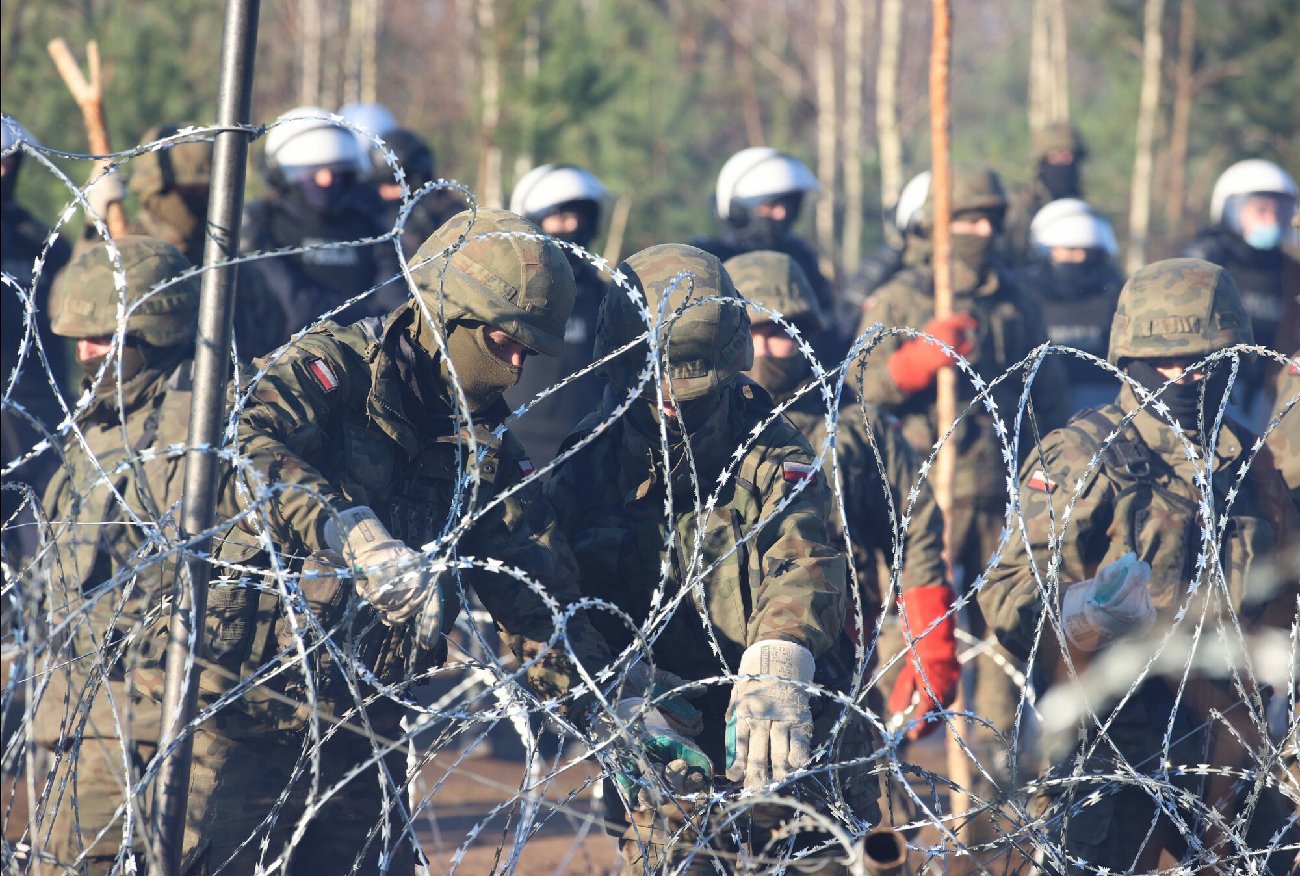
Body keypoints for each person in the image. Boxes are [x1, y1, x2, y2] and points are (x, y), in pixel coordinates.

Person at [178, 208, 686, 873]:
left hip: (363, 736)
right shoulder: (334, 370)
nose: (512, 370)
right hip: (240, 723)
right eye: (503, 343)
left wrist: (617, 703)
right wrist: (352, 531)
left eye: (526, 354)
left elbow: (540, 598)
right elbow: (248, 450)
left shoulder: (487, 451)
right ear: (448, 311)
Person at [547, 243, 878, 874]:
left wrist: (779, 661)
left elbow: (804, 557)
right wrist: (618, 697)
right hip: (665, 731)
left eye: (690, 381)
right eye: (654, 380)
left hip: (786, 719)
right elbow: (558, 599)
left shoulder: (771, 447)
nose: (671, 399)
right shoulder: (586, 460)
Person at [979, 258, 1299, 874]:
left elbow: (1283, 582)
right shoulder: (1081, 456)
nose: (1184, 375)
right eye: (1166, 361)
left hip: (1226, 733)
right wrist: (1085, 609)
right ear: (1129, 359)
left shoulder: (1251, 465)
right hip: (1111, 732)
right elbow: (1009, 592)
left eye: (1202, 360)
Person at [854, 163, 1071, 826]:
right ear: (934, 225)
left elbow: (1049, 393)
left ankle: (987, 812)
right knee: (916, 650)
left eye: (988, 220)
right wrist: (912, 363)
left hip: (1003, 502)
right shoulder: (901, 296)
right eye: (965, 220)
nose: (979, 231)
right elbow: (858, 387)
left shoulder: (1017, 300)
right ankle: (896, 806)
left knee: (1007, 647)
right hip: (928, 504)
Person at [722, 250, 958, 740]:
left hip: (833, 650)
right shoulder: (697, 429)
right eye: (755, 332)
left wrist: (930, 641)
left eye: (781, 334)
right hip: (714, 640)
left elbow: (912, 526)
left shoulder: (849, 427)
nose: (767, 349)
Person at [33, 236, 201, 871]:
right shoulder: (109, 414)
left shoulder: (189, 434)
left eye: (102, 337)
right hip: (88, 705)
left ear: (153, 335)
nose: (84, 352)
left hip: (150, 713)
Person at [127, 123, 287, 359]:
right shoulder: (121, 254)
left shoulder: (233, 269)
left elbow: (272, 337)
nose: (200, 203)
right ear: (155, 192)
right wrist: (91, 228)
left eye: (207, 191)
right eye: (189, 192)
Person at [241, 106, 399, 336]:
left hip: (365, 358)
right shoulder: (262, 223)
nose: (326, 180)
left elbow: (394, 303)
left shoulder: (368, 226)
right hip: (281, 361)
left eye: (335, 170)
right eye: (312, 172)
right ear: (281, 174)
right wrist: (366, 314)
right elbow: (293, 308)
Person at [505, 163, 612, 462]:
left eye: (579, 218)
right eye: (560, 217)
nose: (571, 228)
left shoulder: (604, 297)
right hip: (516, 454)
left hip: (587, 455)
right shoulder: (509, 295)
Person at [2, 114, 73, 562]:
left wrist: (100, 225)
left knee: (39, 567)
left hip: (36, 424)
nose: (3, 172)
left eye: (9, 161)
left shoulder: (37, 239)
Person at [1182, 159, 1298, 423]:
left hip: (1272, 398)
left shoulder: (1291, 271)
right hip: (1210, 395)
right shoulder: (1204, 262)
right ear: (1230, 209)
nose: (1271, 219)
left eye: (1281, 212)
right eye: (1260, 210)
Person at [690, 147, 838, 350]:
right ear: (738, 207)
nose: (781, 214)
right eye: (770, 204)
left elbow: (826, 329)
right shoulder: (706, 261)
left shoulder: (800, 259)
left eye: (789, 204)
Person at [1020, 197, 1125, 414]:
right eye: (1070, 249)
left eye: (1087, 251)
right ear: (1046, 249)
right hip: (1041, 410)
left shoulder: (1118, 296)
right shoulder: (1023, 295)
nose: (1080, 257)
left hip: (1107, 414)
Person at [1004, 121, 1088, 261]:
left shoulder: (1082, 210)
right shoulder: (1022, 208)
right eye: (1054, 156)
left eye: (1067, 156)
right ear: (1041, 162)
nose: (1061, 162)